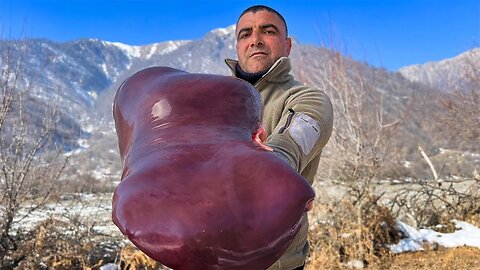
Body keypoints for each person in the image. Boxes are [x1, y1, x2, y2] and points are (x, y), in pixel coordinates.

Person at [225, 5, 334, 270]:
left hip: (275, 263)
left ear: (287, 45)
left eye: (268, 30)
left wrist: (272, 167)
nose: (255, 40)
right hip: (212, 260)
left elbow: (291, 144)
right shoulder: (215, 103)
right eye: (245, 34)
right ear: (238, 46)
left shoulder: (309, 100)